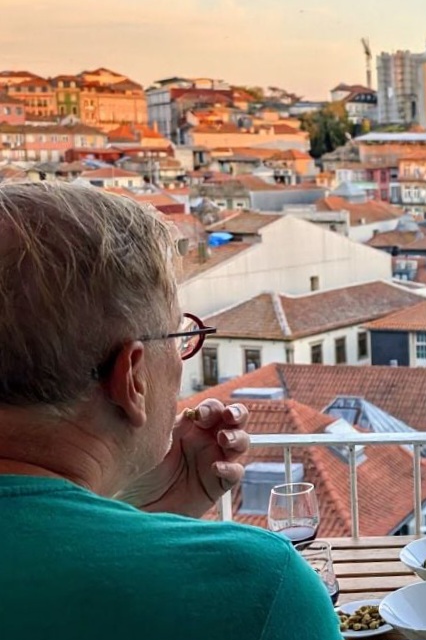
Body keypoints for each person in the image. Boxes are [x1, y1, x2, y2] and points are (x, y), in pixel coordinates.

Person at [0, 182, 341, 639]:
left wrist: (143, 515)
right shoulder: (257, 589)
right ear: (133, 378)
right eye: (180, 337)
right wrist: (152, 538)